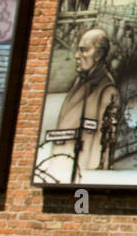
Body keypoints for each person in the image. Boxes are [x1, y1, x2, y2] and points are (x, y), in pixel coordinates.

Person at [51, 27, 119, 176]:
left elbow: (100, 143)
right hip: (62, 167)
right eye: (78, 50)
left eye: (84, 50)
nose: (77, 55)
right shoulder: (79, 81)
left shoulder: (106, 90)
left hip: (81, 170)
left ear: (99, 54)